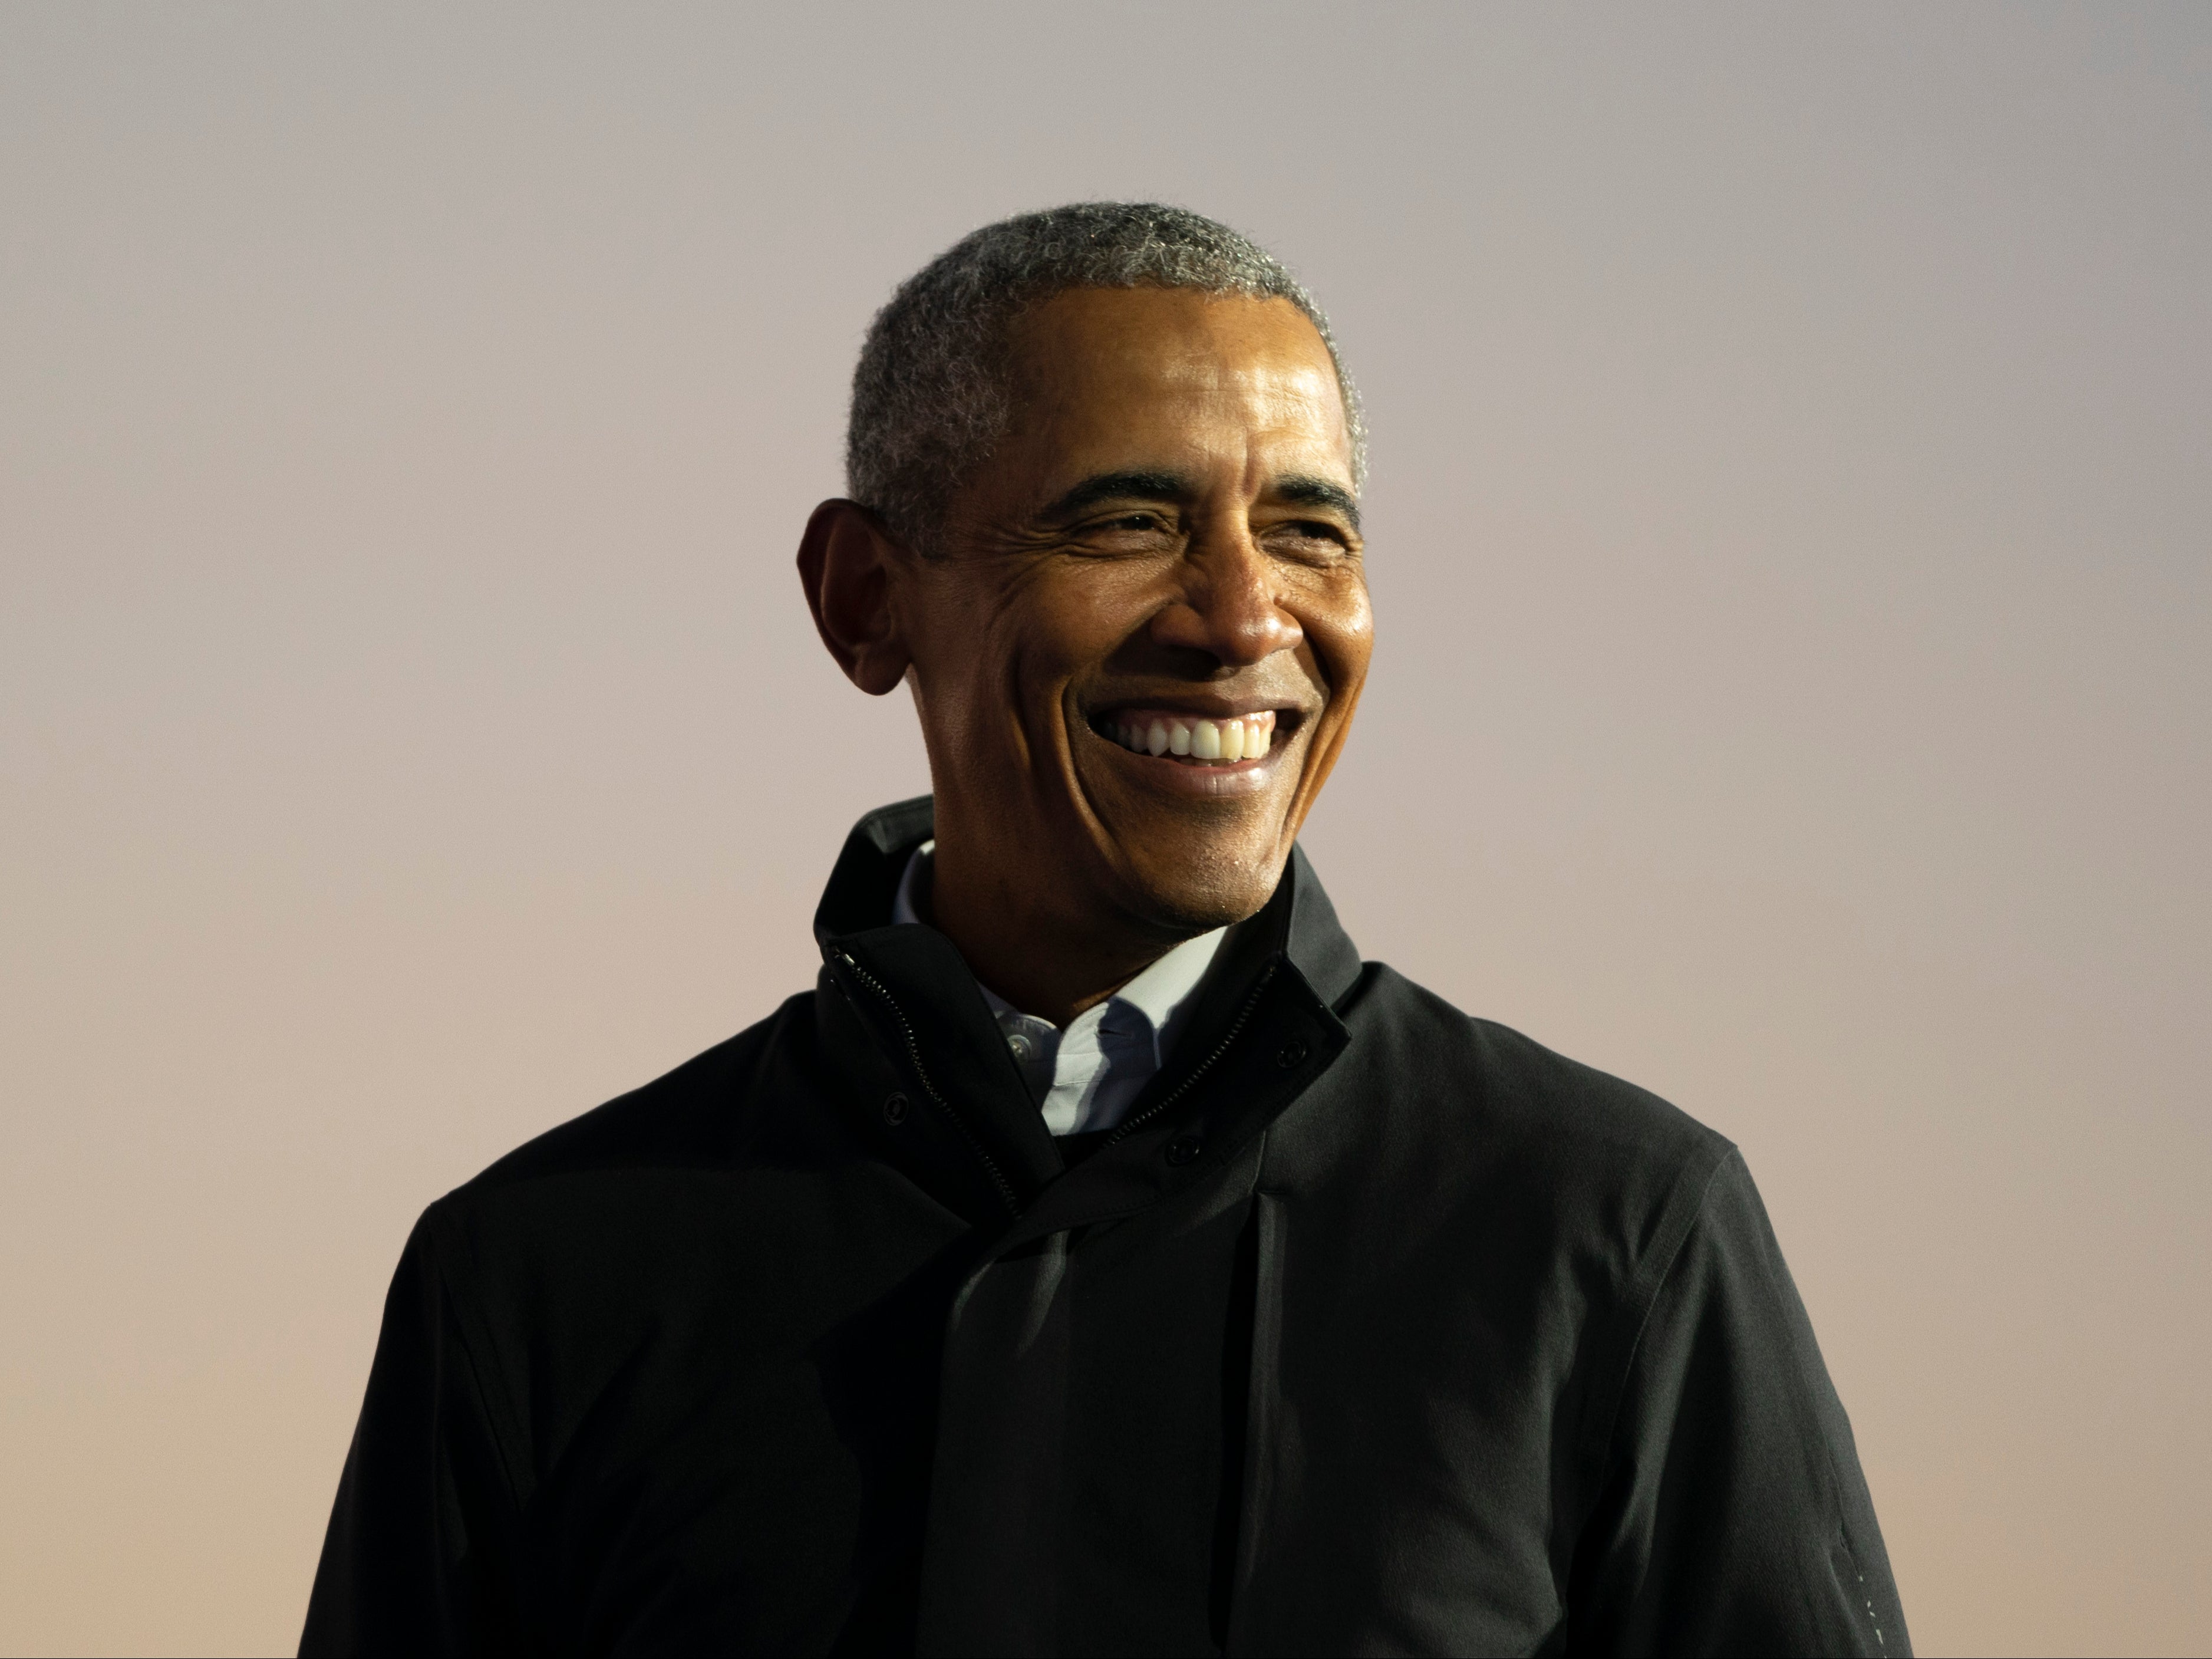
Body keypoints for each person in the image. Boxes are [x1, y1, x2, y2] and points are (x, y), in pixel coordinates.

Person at [301, 203, 1909, 1657]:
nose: (1242, 618)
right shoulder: (535, 1278)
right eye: (1129, 523)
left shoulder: (1612, 1233)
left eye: (1310, 530)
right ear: (867, 599)